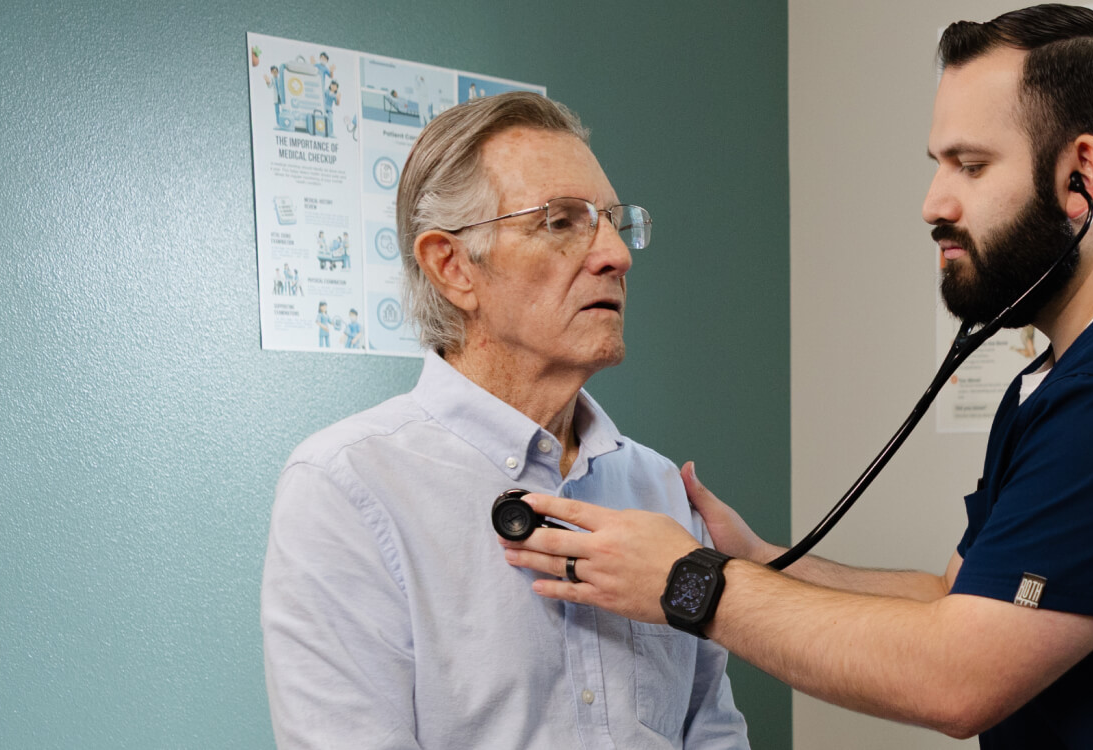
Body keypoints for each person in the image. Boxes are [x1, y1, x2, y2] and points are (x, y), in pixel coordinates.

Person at [498, 5, 1093, 748]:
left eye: (969, 164)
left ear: (1081, 177)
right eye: (937, 164)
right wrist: (760, 561)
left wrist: (690, 584)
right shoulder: (1066, 368)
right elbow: (959, 598)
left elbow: (956, 678)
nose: (933, 202)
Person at [261, 91, 748, 749]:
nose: (617, 255)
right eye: (561, 222)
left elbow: (712, 731)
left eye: (611, 220)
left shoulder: (661, 491)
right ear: (453, 267)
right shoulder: (346, 490)